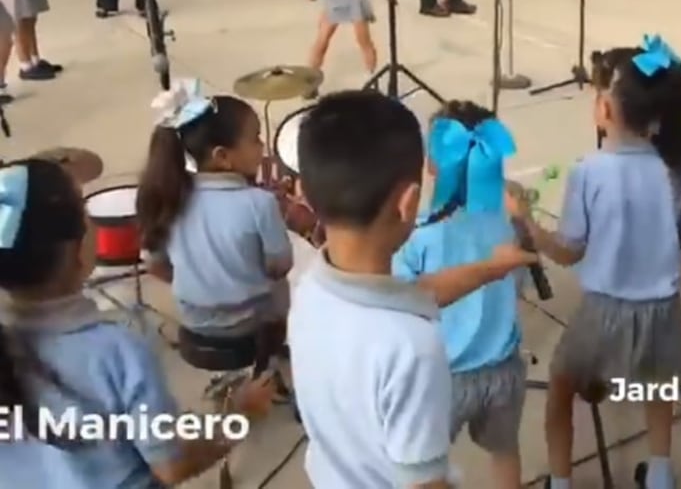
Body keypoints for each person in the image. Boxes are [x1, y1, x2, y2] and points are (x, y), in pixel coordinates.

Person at [288, 89, 534, 488]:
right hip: (493, 369)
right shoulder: (412, 346)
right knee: (503, 451)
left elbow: (411, 292)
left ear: (305, 193)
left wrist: (489, 269)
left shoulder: (307, 289)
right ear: (407, 203)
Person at [0, 158, 276, 488]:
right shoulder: (116, 353)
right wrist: (240, 417)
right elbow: (171, 467)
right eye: (85, 209)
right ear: (77, 248)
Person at [506, 37, 681, 489]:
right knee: (659, 388)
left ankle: (560, 481)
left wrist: (527, 222)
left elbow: (569, 251)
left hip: (605, 311)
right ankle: (661, 473)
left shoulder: (589, 171)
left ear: (605, 109)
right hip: (663, 310)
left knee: (560, 389)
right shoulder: (677, 170)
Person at [392, 100, 528, 489]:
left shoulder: (415, 235)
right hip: (503, 366)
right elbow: (518, 284)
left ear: (432, 165)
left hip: (441, 377)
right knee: (505, 451)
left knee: (424, 469)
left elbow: (401, 304)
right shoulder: (508, 223)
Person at [135, 80, 293, 353]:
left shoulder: (170, 196)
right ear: (222, 156)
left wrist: (203, 281)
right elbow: (280, 266)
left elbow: (155, 264)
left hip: (194, 319)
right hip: (251, 323)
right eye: (255, 138)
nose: (263, 145)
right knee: (286, 283)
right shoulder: (260, 203)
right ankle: (274, 358)